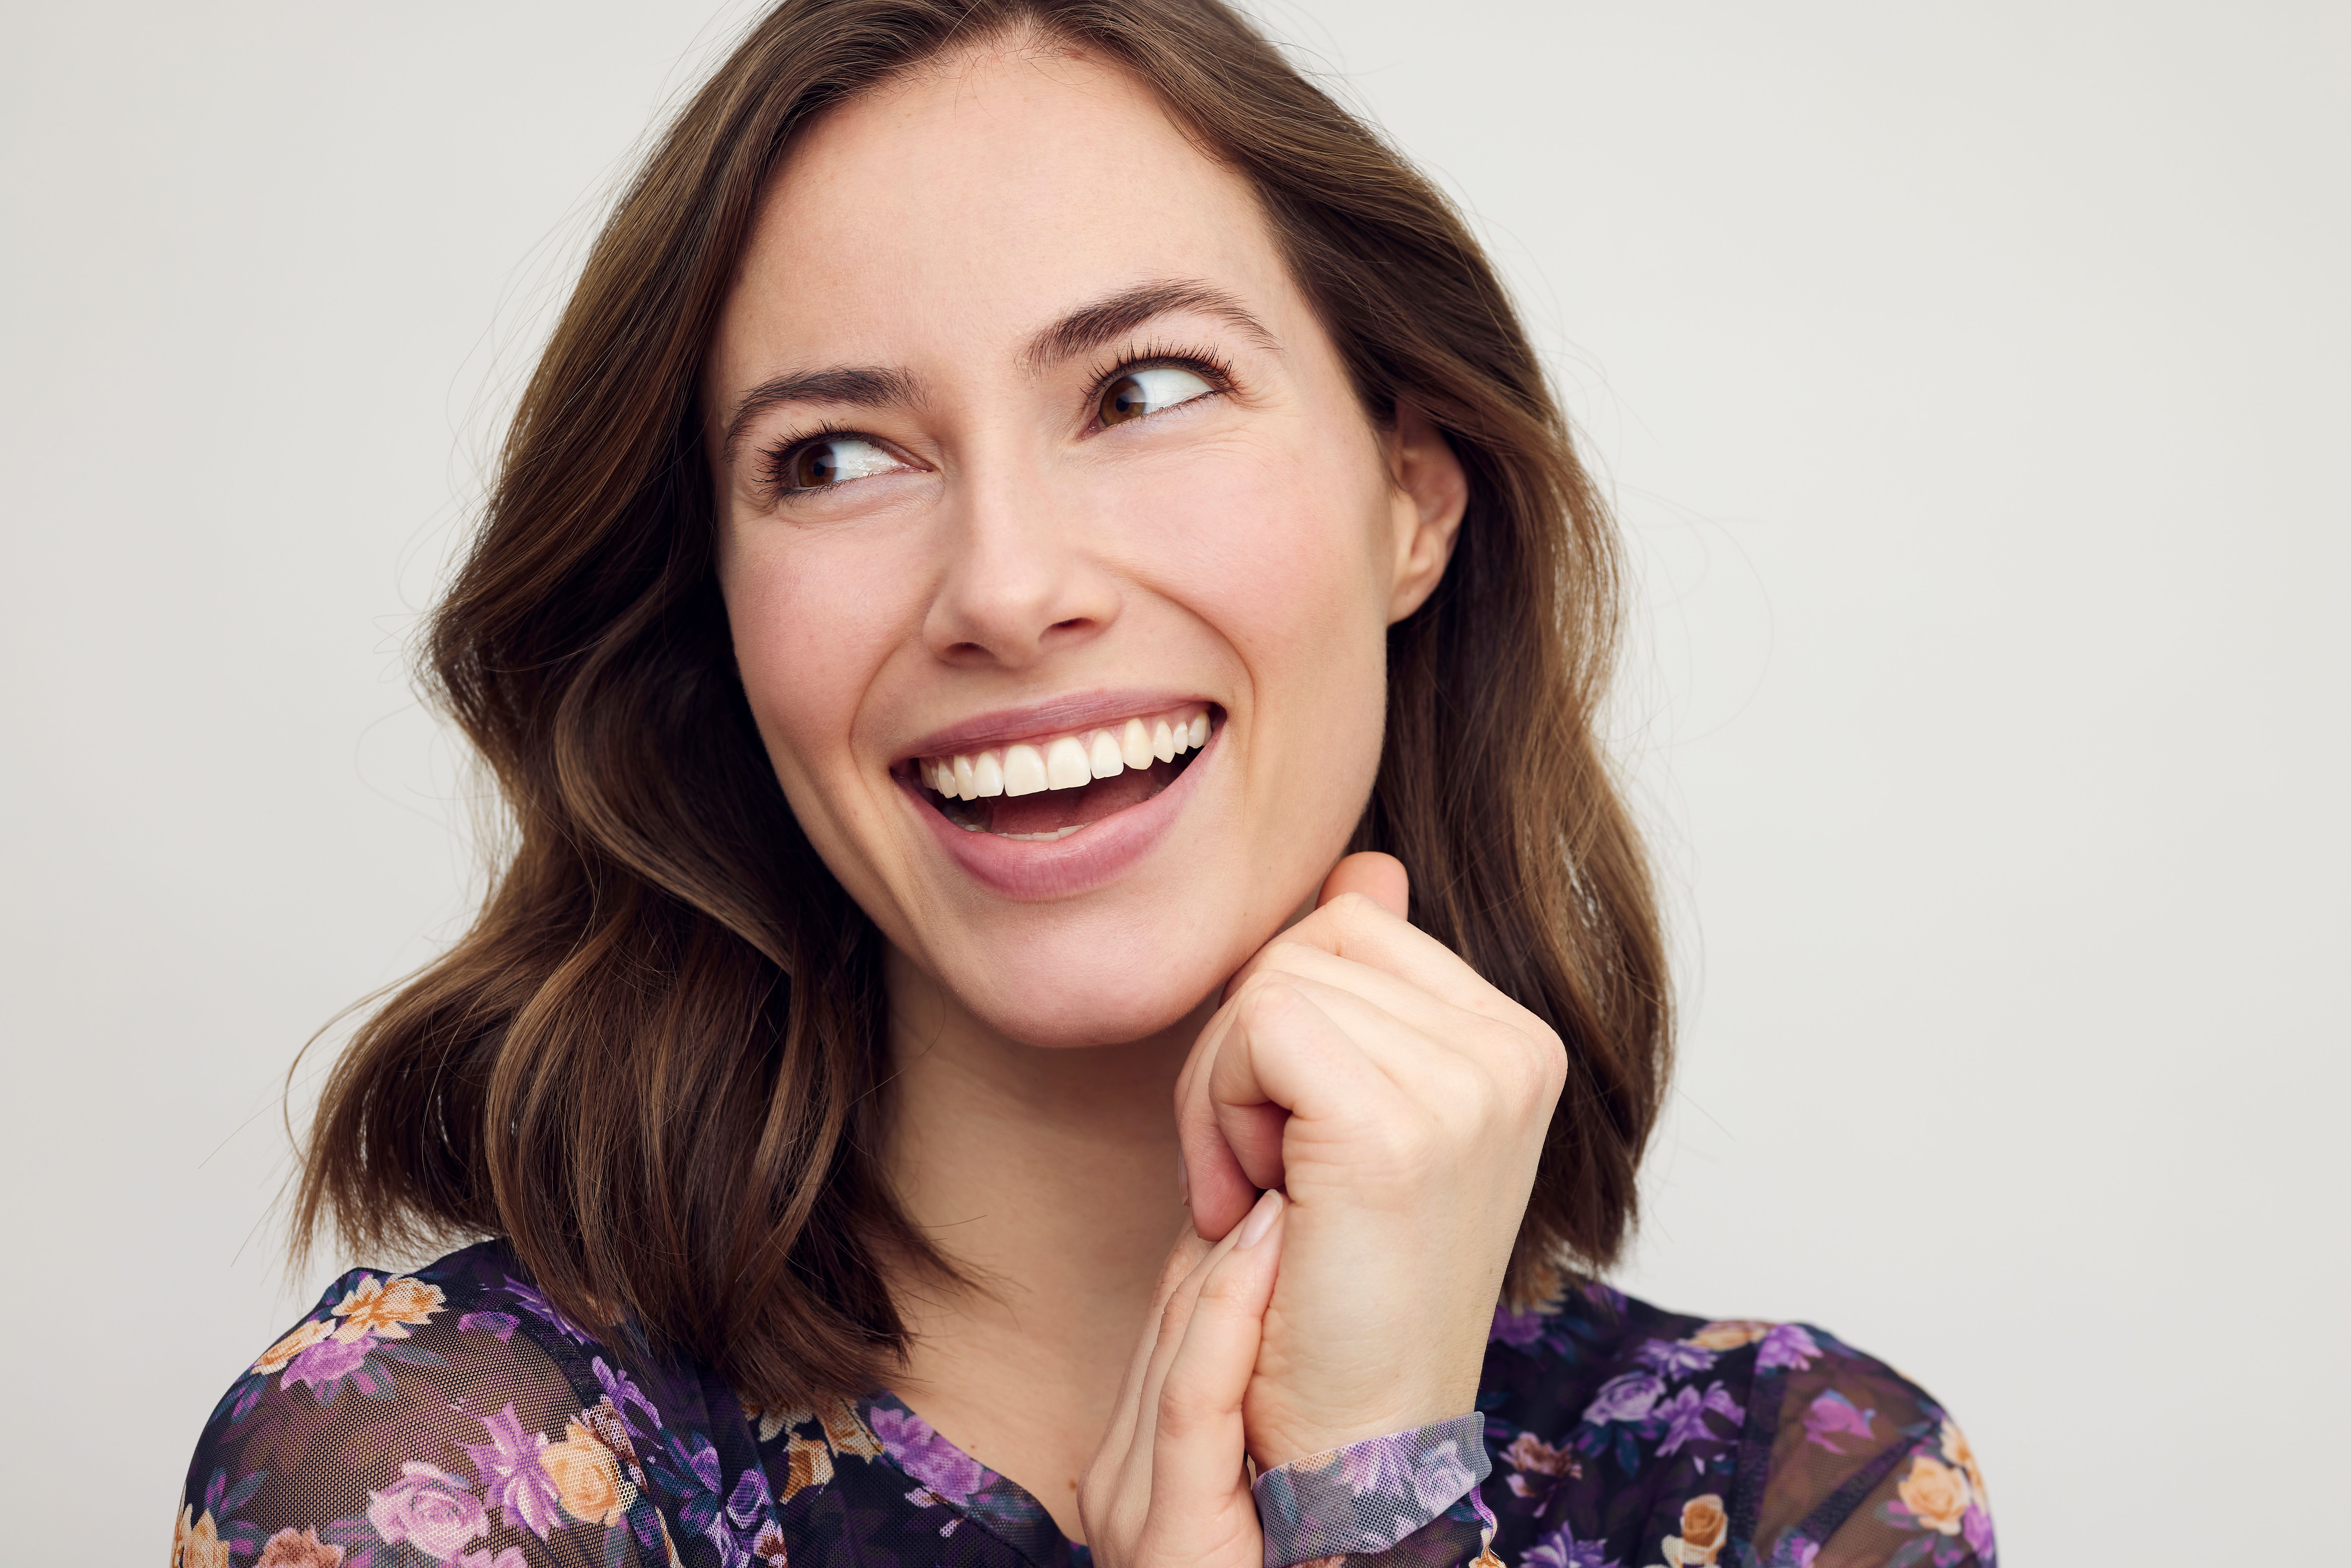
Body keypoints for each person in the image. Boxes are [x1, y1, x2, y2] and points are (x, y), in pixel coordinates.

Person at [174, 3, 1995, 1566]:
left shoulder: (1785, 1488)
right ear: (713, 609)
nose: (1007, 586)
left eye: (1145, 390)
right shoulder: (439, 1468)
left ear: (1411, 497)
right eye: (833, 455)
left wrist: (1375, 1487)